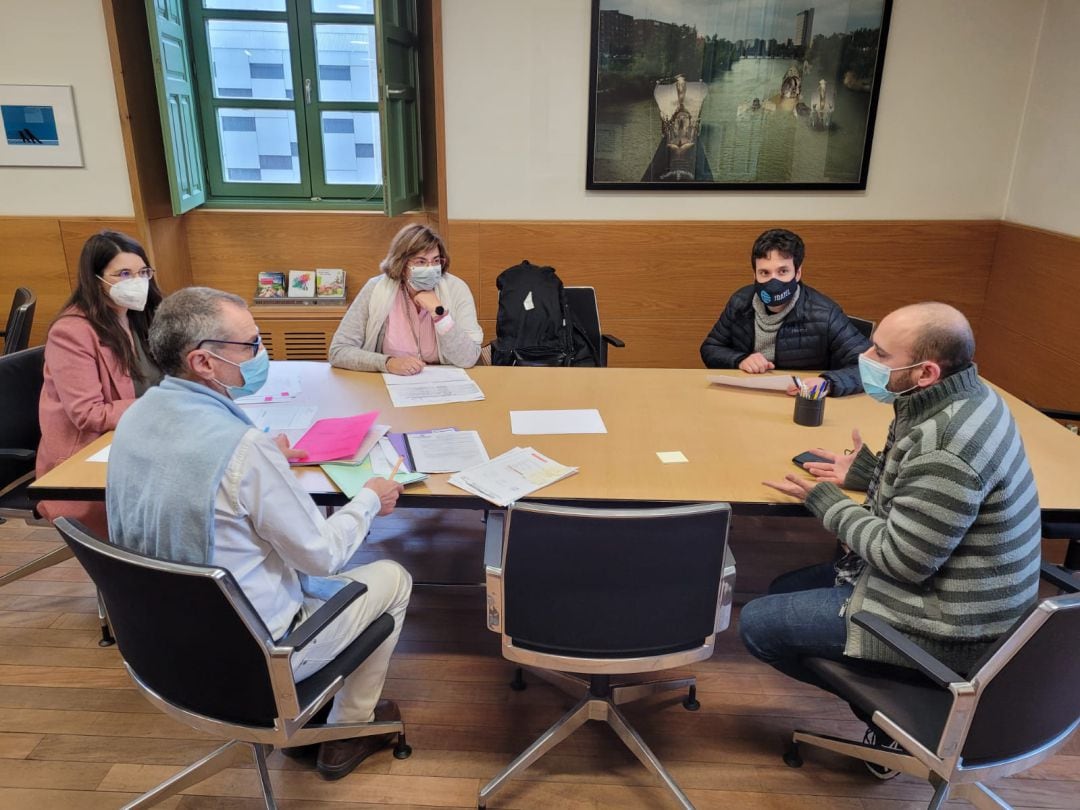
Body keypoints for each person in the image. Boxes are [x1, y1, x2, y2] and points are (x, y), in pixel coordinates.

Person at [105, 287, 412, 781]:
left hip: (158, 648)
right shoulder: (243, 451)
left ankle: (324, 722)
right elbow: (322, 556)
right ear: (204, 362)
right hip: (253, 659)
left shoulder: (137, 418)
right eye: (250, 345)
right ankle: (349, 728)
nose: (261, 354)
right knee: (393, 577)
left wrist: (263, 452)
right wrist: (372, 498)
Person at [739, 302, 1041, 771]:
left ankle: (905, 724)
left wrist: (827, 503)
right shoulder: (960, 397)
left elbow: (901, 558)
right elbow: (923, 493)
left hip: (952, 623)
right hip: (957, 590)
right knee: (783, 590)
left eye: (880, 354)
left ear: (924, 372)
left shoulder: (947, 444)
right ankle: (900, 691)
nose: (866, 357)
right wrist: (866, 471)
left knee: (758, 625)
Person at [36, 230, 163, 537]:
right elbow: (89, 414)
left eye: (142, 272)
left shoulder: (139, 317)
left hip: (145, 435)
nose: (137, 281)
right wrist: (164, 404)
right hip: (87, 458)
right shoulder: (72, 332)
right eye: (123, 273)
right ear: (96, 279)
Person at [700, 228, 869, 396]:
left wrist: (827, 382)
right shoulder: (740, 302)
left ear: (797, 273)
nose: (774, 281)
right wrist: (740, 359)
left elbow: (869, 367)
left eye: (783, 271)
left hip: (800, 399)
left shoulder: (825, 313)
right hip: (749, 396)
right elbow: (711, 348)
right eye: (764, 273)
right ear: (755, 275)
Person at [329, 224, 482, 374]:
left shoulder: (456, 288)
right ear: (402, 265)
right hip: (391, 384)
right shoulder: (376, 289)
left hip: (445, 383)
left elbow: (468, 358)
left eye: (436, 261)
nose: (430, 269)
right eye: (421, 262)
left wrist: (439, 314)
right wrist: (387, 363)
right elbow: (339, 351)